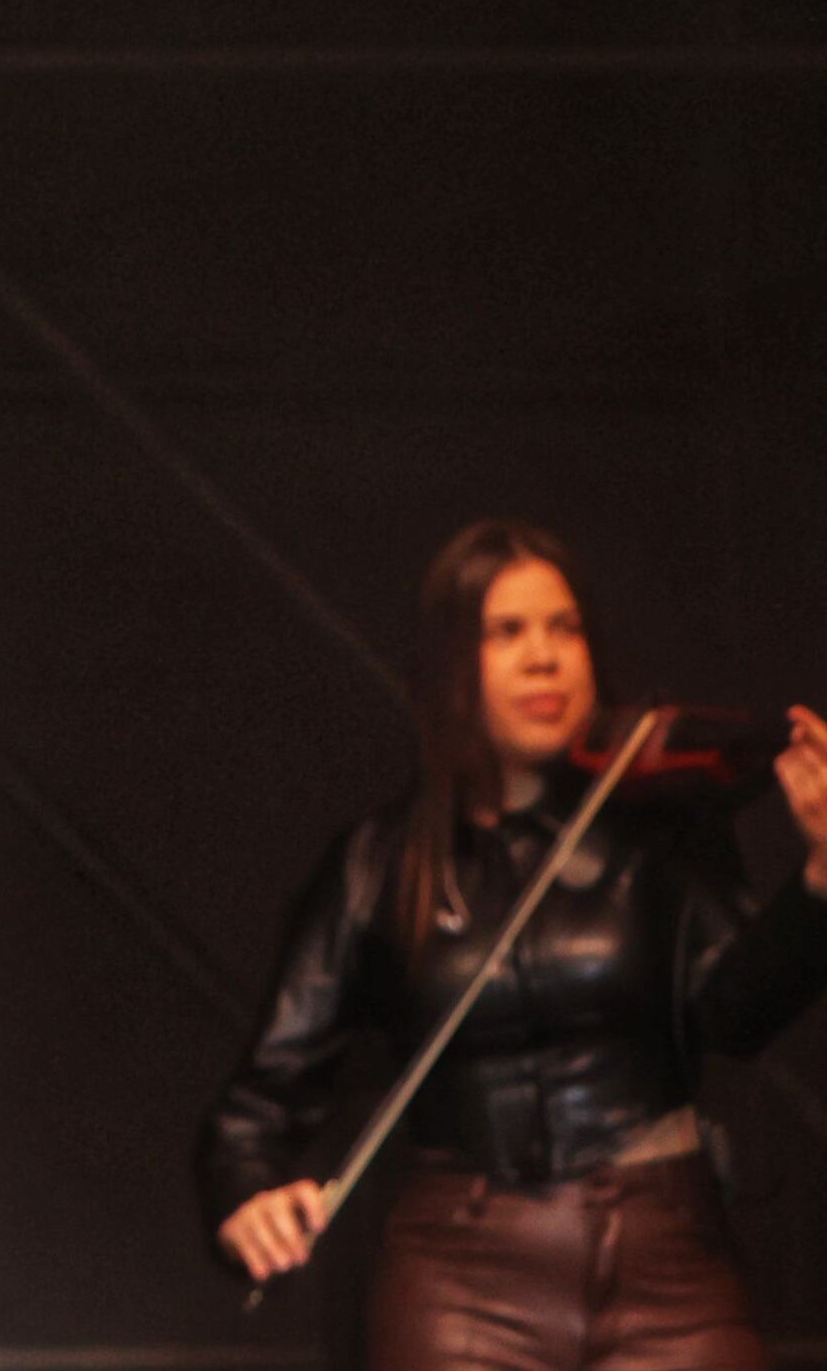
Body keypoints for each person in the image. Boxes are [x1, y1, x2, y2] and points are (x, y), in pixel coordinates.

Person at [203, 521, 827, 1367]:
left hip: (668, 1255)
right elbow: (261, 1098)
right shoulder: (382, 858)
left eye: (564, 628)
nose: (546, 656)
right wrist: (246, 1193)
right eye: (508, 632)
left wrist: (821, 880)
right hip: (464, 1274)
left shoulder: (661, 828)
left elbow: (736, 1013)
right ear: (452, 666)